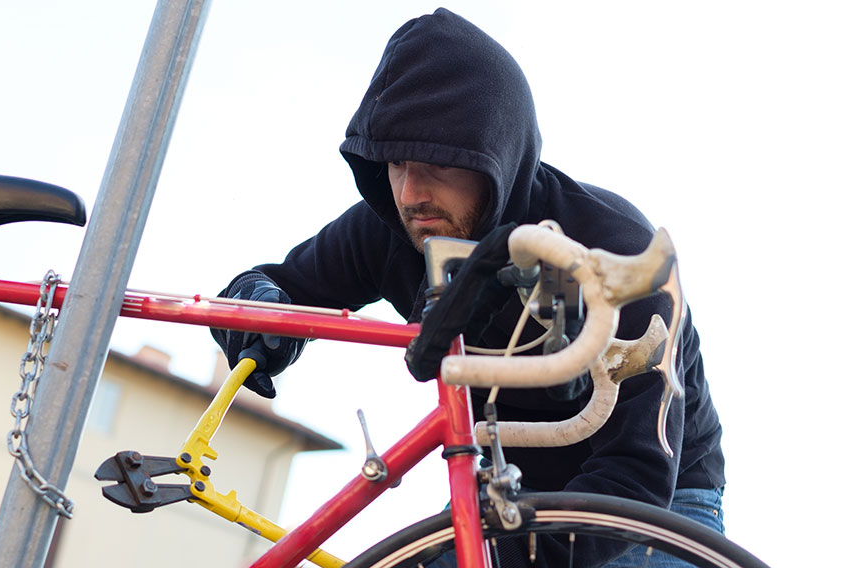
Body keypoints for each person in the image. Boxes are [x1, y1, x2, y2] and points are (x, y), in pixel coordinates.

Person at [210, 8, 725, 566]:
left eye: (437, 164)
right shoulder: (394, 227)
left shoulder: (613, 247)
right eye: (396, 162)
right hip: (506, 482)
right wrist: (258, 310)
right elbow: (277, 282)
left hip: (655, 501)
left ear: (493, 156)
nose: (411, 193)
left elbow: (635, 477)